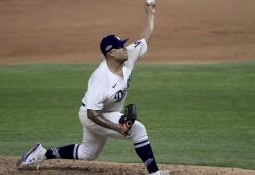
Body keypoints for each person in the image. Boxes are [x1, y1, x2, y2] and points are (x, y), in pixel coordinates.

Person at [17, 1, 164, 175]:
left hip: (105, 112)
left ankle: (41, 153)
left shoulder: (128, 56)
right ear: (110, 53)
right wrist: (116, 127)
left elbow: (145, 36)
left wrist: (150, 13)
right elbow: (91, 113)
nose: (125, 48)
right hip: (92, 115)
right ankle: (155, 173)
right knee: (138, 130)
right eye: (120, 47)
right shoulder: (100, 79)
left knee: (88, 153)